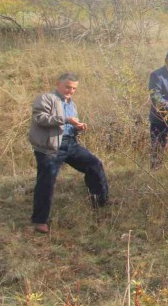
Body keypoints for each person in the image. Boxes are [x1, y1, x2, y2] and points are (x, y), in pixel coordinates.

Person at [28, 72, 108, 234]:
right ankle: (40, 221)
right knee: (47, 181)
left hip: (70, 144)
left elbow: (69, 126)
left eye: (73, 89)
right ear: (58, 84)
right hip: (49, 147)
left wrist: (77, 127)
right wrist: (65, 119)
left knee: (94, 165)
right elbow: (40, 118)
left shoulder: (72, 104)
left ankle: (100, 203)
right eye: (67, 87)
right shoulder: (46, 98)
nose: (70, 91)